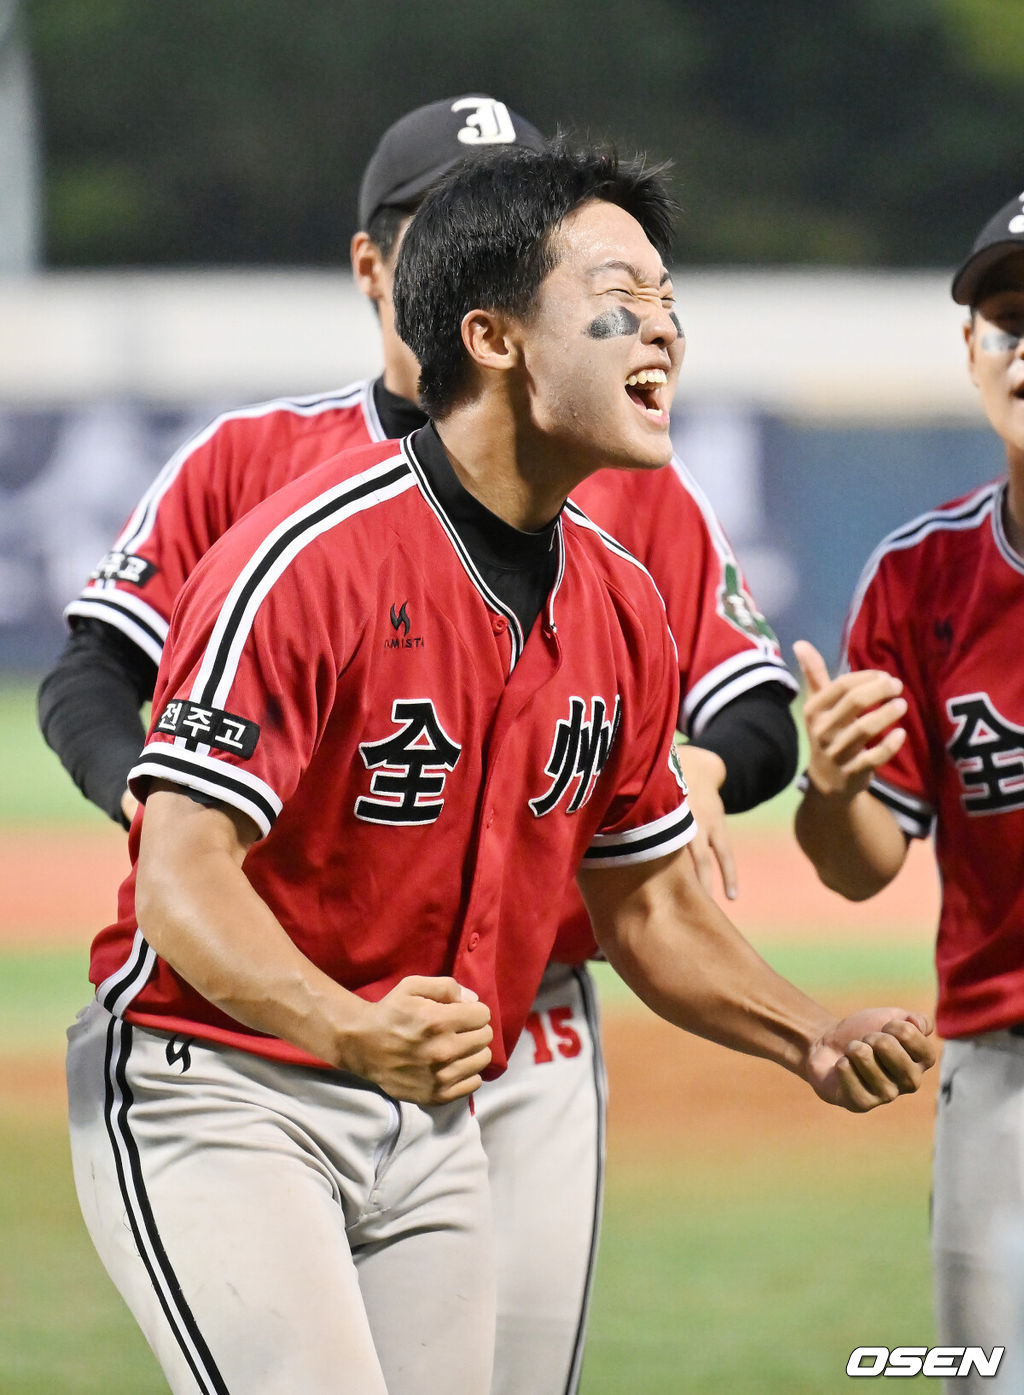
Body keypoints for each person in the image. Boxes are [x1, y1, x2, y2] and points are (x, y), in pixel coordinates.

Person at [39, 96, 799, 1395]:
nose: (654, 324)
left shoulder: (628, 500)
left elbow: (747, 719)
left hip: (519, 1020)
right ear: (390, 268)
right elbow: (97, 672)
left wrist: (706, 783)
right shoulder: (270, 478)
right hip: (257, 1026)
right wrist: (178, 821)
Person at [793, 189, 1024, 1391]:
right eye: (1009, 319)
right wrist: (831, 786)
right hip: (1003, 1073)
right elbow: (861, 862)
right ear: (971, 351)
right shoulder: (920, 575)